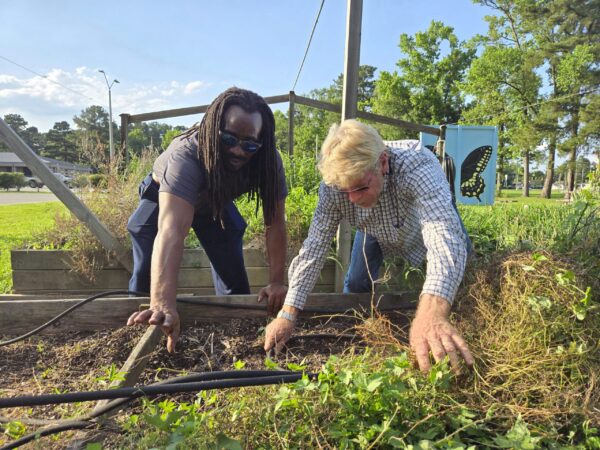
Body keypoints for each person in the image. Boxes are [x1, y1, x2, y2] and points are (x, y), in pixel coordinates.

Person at [264, 119, 473, 373]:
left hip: (421, 224)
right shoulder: (333, 187)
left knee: (461, 278)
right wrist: (287, 314)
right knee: (356, 284)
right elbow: (315, 247)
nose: (352, 199)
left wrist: (432, 311)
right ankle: (367, 332)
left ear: (382, 162)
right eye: (345, 191)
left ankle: (458, 319)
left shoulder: (417, 165)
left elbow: (443, 236)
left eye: (361, 187)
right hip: (373, 227)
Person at [127, 87, 288, 352]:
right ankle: (145, 327)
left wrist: (277, 282)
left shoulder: (267, 160)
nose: (238, 151)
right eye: (228, 140)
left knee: (232, 263)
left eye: (249, 144)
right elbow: (172, 230)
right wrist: (163, 302)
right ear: (214, 130)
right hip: (163, 200)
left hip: (215, 200)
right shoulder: (185, 156)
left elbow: (275, 223)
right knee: (146, 267)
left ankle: (236, 333)